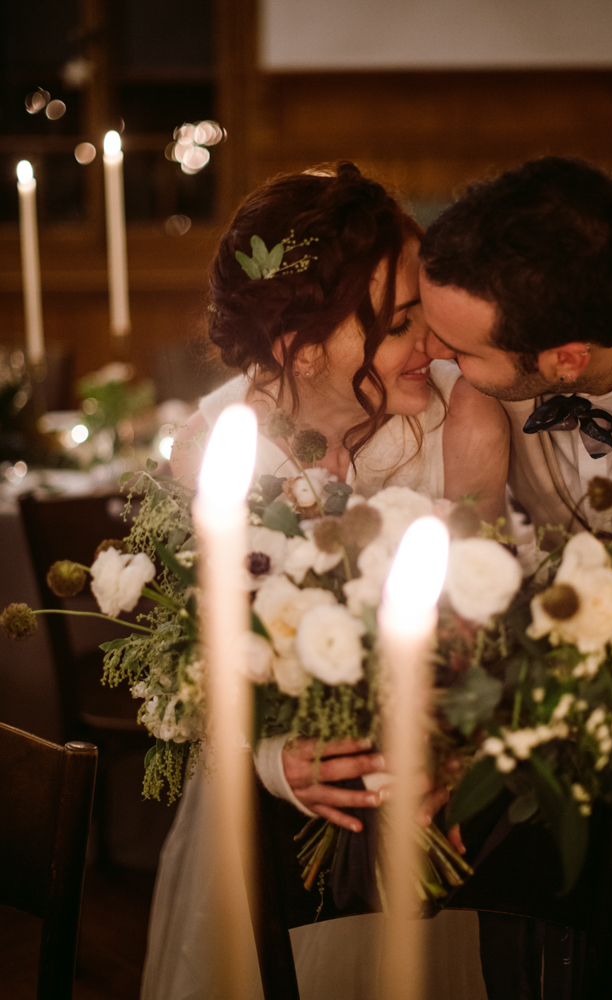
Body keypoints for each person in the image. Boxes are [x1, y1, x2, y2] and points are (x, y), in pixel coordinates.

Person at [143, 161, 507, 1000]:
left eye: (426, 311)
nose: (434, 346)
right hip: (258, 820)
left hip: (435, 804)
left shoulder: (464, 418)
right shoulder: (215, 448)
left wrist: (444, 750)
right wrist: (275, 761)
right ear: (301, 351)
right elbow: (181, 663)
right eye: (398, 325)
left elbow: (489, 628)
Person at [419, 155, 612, 1000]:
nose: (429, 354)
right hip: (567, 726)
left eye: (455, 348)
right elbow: (471, 580)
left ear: (565, 360)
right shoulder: (477, 399)